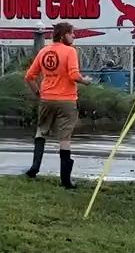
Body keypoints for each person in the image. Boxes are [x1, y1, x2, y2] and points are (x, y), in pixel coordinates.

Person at [23, 22, 93, 189]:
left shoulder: (44, 51)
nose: (74, 36)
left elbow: (29, 76)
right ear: (63, 35)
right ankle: (65, 180)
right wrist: (85, 81)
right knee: (64, 138)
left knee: (41, 131)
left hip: (46, 98)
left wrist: (38, 93)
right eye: (71, 33)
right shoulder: (70, 51)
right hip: (66, 100)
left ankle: (34, 168)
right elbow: (74, 75)